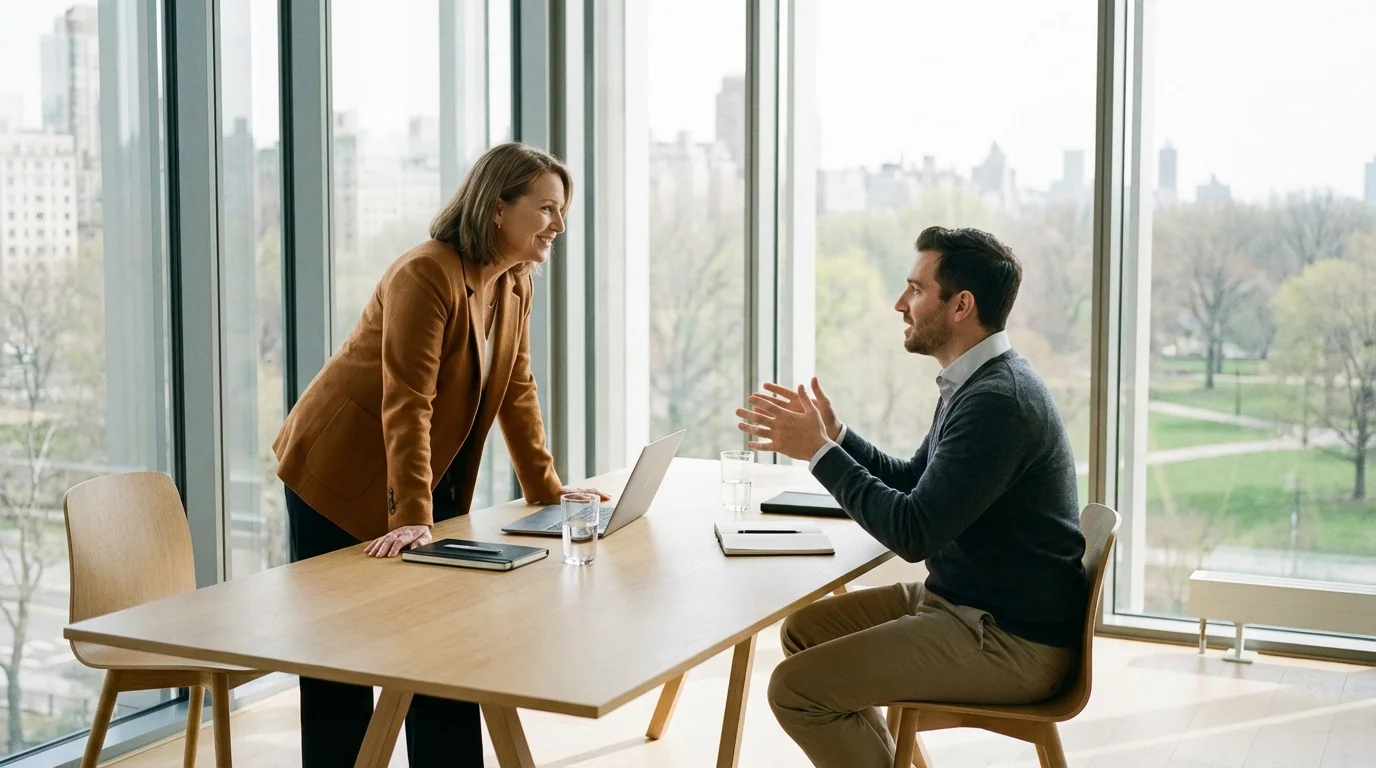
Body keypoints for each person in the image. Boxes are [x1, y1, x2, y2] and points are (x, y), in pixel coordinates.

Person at [272, 142, 606, 768]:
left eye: (561, 210)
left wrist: (546, 488)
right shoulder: (425, 273)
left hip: (421, 473)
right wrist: (412, 517)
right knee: (338, 660)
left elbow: (517, 387)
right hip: (338, 471)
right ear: (497, 208)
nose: (559, 225)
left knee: (446, 646)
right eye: (546, 209)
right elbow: (408, 398)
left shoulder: (514, 283)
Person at [734, 226, 1087, 768]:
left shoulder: (999, 402)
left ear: (961, 306)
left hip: (1009, 640)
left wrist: (819, 454)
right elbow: (915, 479)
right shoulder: (975, 382)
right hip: (966, 603)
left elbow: (912, 532)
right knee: (805, 632)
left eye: (916, 290)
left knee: (794, 690)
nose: (900, 304)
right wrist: (838, 439)